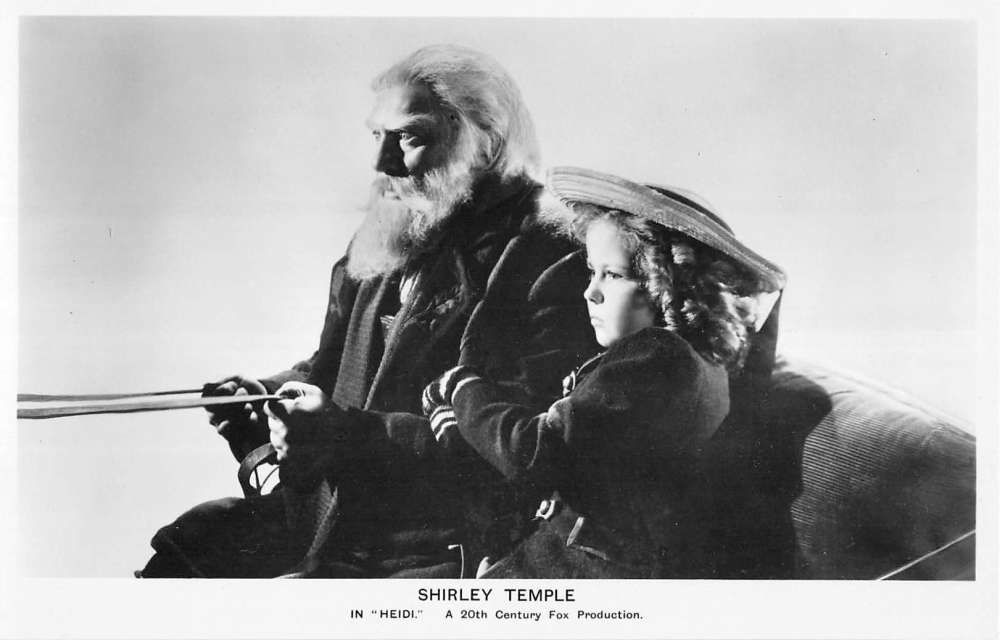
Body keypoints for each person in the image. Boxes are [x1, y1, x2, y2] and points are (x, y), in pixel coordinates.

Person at [138, 45, 597, 578]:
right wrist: (267, 398)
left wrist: (341, 434)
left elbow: (522, 451)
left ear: (484, 139)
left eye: (409, 137)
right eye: (378, 135)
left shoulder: (549, 254)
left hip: (440, 551)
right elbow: (333, 369)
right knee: (187, 547)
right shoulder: (394, 225)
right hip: (331, 522)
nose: (383, 163)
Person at [419, 166, 788, 578]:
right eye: (591, 271)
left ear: (667, 285)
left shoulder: (660, 356)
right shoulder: (705, 365)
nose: (589, 291)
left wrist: (463, 388)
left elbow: (535, 452)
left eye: (611, 275)